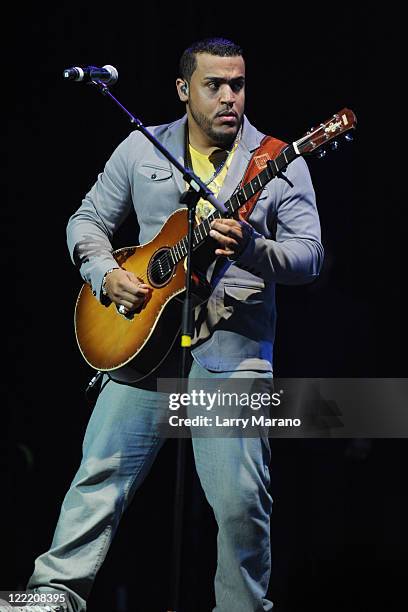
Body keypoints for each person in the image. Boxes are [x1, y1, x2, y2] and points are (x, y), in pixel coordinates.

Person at [27, 37, 324, 611]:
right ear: (184, 89)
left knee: (241, 506)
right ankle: (51, 597)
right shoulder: (141, 149)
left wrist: (253, 249)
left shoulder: (278, 159)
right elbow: (86, 219)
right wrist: (104, 272)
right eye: (214, 85)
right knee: (97, 480)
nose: (229, 97)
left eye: (237, 84)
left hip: (232, 358)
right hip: (141, 349)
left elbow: (309, 256)